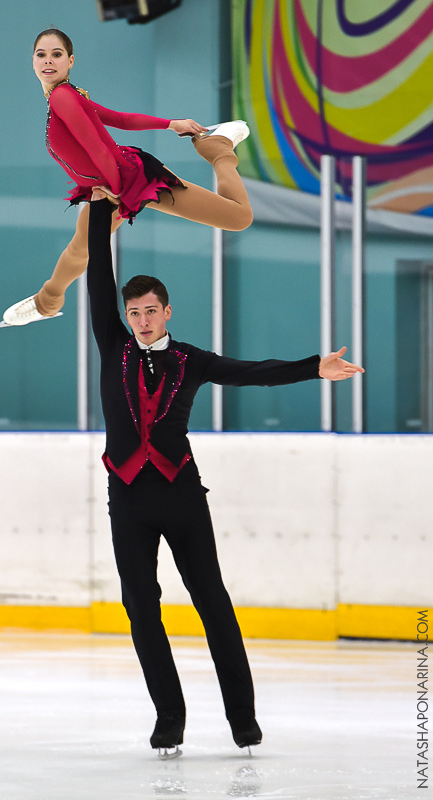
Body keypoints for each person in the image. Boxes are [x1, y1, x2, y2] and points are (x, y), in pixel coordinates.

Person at [85, 192, 364, 759]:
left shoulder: (191, 359)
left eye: (149, 311)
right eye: (132, 311)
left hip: (183, 496)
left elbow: (254, 373)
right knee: (141, 607)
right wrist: (96, 210)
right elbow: (96, 273)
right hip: (128, 498)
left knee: (212, 601)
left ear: (167, 312)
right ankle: (169, 718)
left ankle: (243, 719)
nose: (140, 321)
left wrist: (314, 368)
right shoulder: (111, 343)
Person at [0, 28, 253, 327]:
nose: (48, 61)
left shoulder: (63, 98)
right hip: (108, 187)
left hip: (132, 182)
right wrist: (170, 123)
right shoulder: (67, 96)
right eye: (41, 55)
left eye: (57, 54)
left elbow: (97, 147)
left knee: (238, 217)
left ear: (70, 61)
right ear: (32, 61)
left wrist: (118, 192)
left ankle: (218, 148)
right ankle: (47, 302)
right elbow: (119, 119)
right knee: (81, 247)